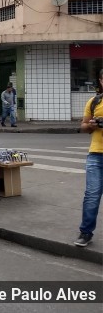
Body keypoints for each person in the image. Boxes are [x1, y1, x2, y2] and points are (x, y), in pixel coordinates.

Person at [74, 69, 103, 247]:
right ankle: (85, 232)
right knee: (92, 195)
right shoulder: (94, 102)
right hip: (96, 155)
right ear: (101, 80)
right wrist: (92, 124)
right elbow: (83, 125)